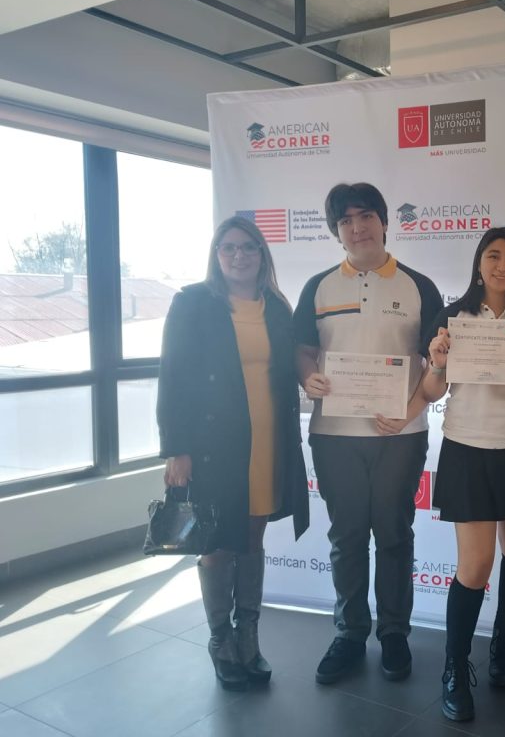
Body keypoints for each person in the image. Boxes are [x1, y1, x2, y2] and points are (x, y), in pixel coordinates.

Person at [295, 182, 442, 684]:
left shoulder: (418, 286)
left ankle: (395, 633)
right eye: (345, 221)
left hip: (400, 435)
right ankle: (350, 632)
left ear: (384, 221)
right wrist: (307, 377)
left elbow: (436, 365)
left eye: (365, 217)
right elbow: (302, 350)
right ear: (337, 231)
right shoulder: (318, 287)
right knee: (347, 536)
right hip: (334, 434)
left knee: (395, 534)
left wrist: (411, 409)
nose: (357, 228)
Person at [158, 215, 309, 691]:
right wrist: (177, 449)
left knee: (251, 539)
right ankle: (221, 640)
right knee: (215, 543)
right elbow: (173, 377)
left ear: (262, 254)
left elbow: (291, 369)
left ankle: (249, 638)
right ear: (216, 255)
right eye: (229, 247)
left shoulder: (277, 307)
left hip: (267, 441)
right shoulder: (192, 303)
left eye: (248, 247)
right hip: (212, 447)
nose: (239, 255)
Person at [421, 228, 505, 722]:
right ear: (479, 263)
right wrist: (438, 364)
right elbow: (432, 391)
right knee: (475, 567)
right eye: (494, 255)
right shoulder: (451, 318)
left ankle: (502, 641)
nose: (503, 265)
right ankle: (455, 667)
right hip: (468, 449)